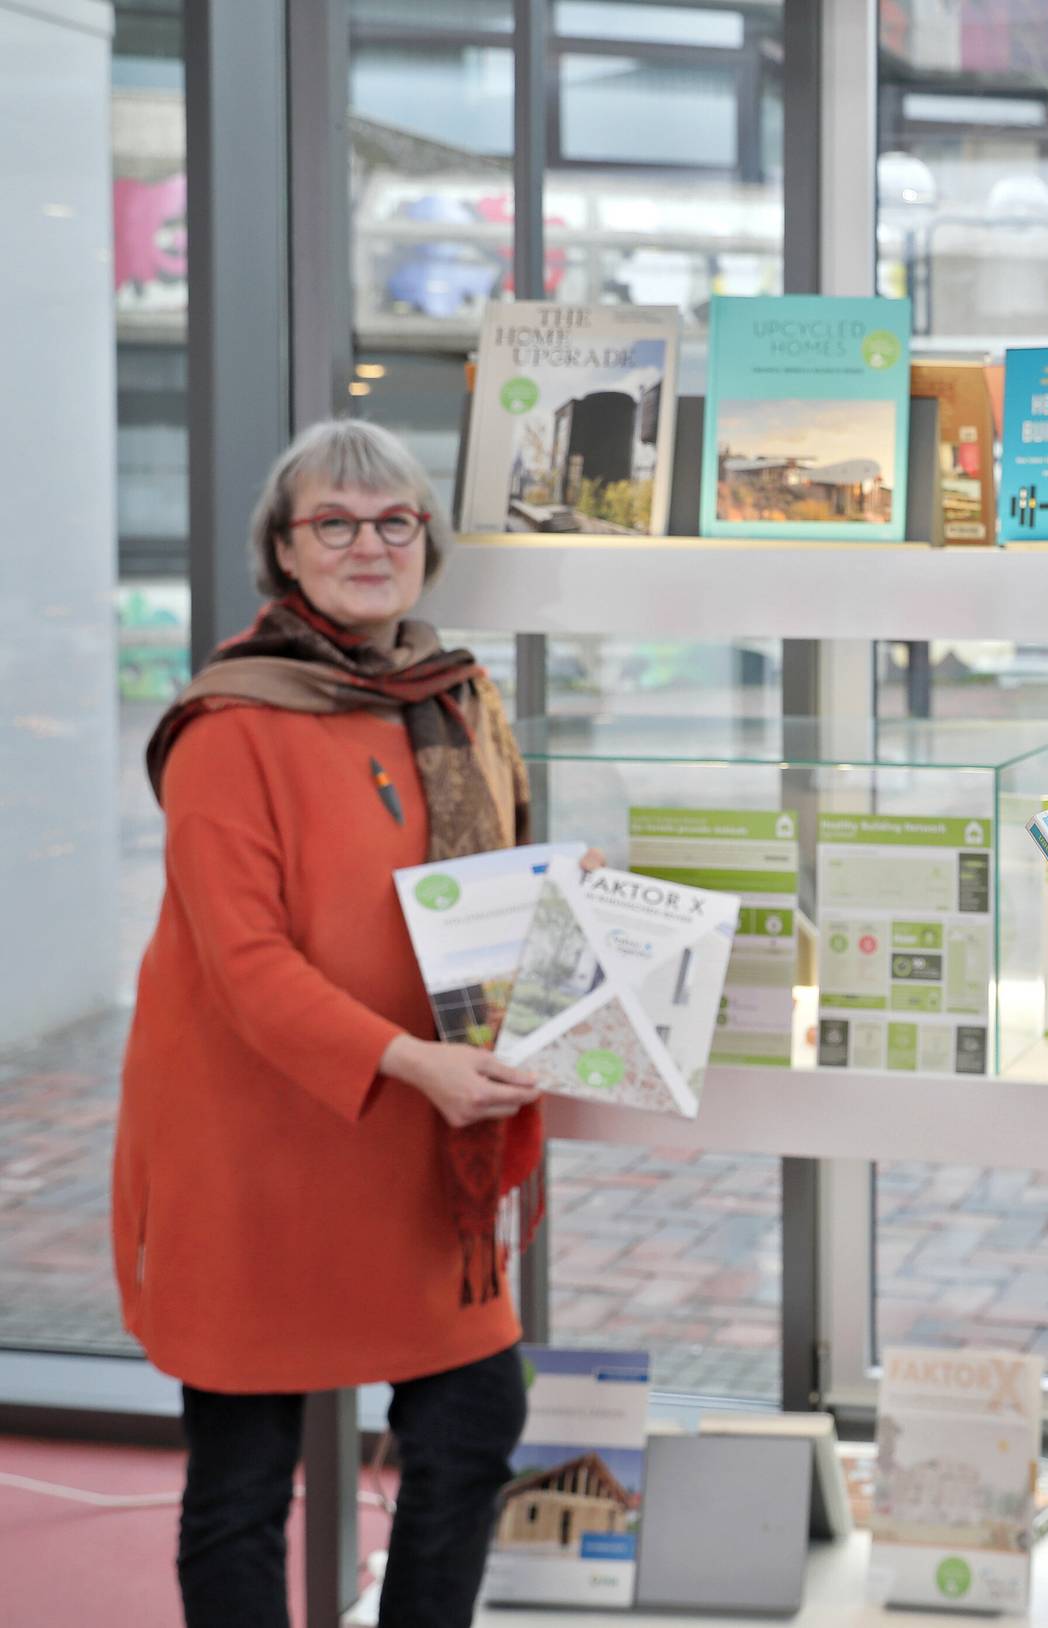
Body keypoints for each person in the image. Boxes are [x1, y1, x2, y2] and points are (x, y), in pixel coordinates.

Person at [113, 420, 551, 1628]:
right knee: (245, 1480)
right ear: (286, 551)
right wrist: (415, 1064)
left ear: (426, 541)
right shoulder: (228, 721)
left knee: (472, 1427)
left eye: (394, 519)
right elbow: (247, 965)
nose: (370, 544)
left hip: (418, 1150)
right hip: (253, 1155)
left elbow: (496, 880)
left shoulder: (454, 695)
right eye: (336, 523)